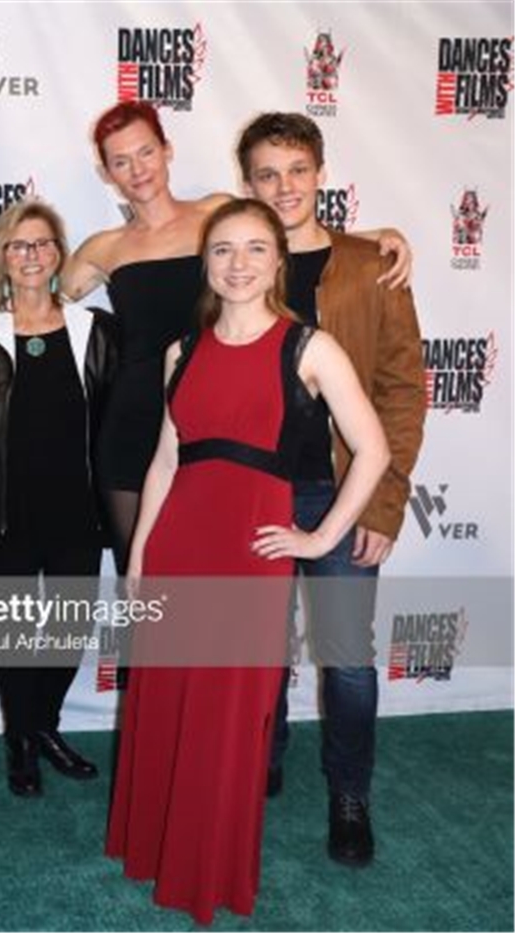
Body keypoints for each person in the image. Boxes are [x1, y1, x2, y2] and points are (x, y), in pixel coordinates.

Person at [105, 199, 390, 924]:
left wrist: (320, 538)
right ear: (205, 262)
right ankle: (153, 843)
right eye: (223, 249)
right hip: (179, 544)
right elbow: (166, 458)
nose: (238, 264)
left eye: (256, 249)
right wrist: (140, 553)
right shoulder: (183, 350)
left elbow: (374, 449)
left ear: (278, 262)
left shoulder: (309, 348)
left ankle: (207, 867)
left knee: (230, 714)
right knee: (167, 697)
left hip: (251, 548)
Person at [61, 101, 411, 573]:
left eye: (145, 152)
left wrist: (373, 238)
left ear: (167, 150)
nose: (137, 169)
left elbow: (285, 231)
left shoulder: (215, 213)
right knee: (151, 587)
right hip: (142, 423)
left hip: (229, 418)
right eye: (120, 161)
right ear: (106, 173)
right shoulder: (101, 249)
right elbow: (40, 293)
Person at [237, 112, 426, 866]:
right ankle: (264, 757)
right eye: (267, 173)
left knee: (346, 656)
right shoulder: (239, 261)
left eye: (296, 170)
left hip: (344, 494)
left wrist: (385, 500)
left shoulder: (372, 266)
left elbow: (401, 391)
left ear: (320, 173)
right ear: (247, 182)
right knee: (258, 648)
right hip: (256, 492)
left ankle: (350, 795)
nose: (283, 186)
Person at [0, 199, 117, 797]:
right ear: (2, 256)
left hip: (78, 505)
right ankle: (21, 745)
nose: (32, 255)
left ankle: (42, 725)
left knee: (70, 628)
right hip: (8, 508)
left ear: (59, 253)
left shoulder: (94, 330)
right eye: (19, 245)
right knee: (17, 635)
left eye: (43, 243)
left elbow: (119, 417)